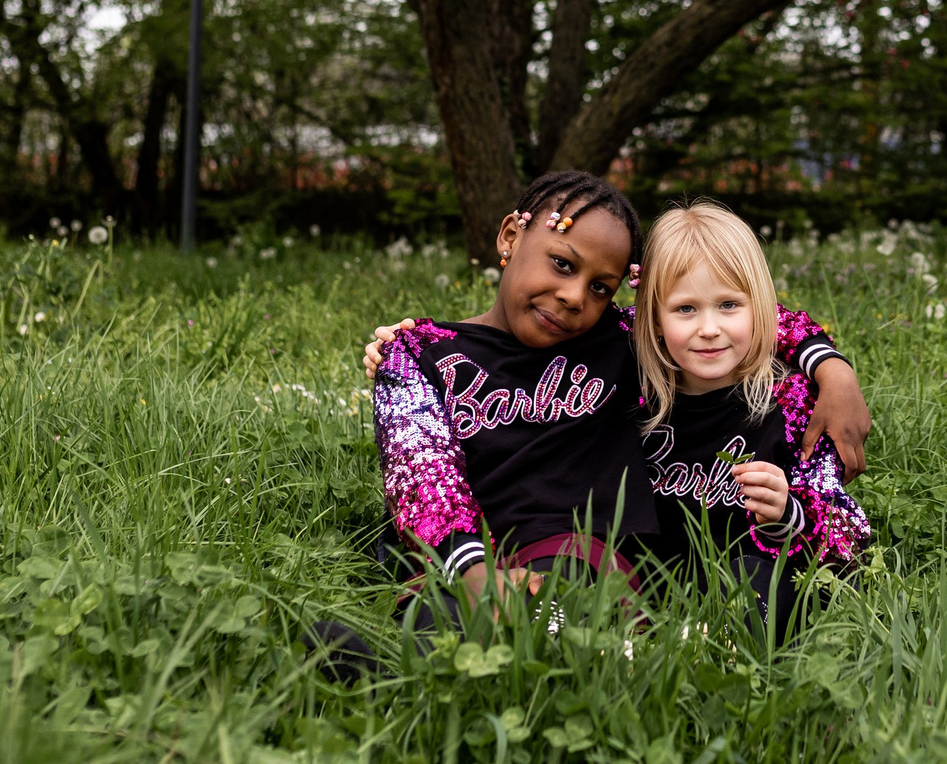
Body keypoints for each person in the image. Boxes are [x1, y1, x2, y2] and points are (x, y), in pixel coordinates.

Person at [365, 171, 866, 623]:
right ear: (510, 236)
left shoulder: (611, 337)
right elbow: (423, 475)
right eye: (562, 264)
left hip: (577, 557)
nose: (575, 297)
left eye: (602, 287)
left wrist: (831, 366)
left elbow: (723, 300)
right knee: (449, 623)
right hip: (469, 558)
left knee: (563, 608)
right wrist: (475, 574)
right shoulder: (415, 354)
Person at [633, 201, 869, 640]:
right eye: (685, 309)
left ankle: (720, 649)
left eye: (728, 305)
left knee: (755, 581)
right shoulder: (631, 388)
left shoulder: (792, 401)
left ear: (760, 309)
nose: (708, 328)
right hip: (652, 583)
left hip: (751, 580)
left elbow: (849, 538)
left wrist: (787, 513)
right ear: (654, 318)